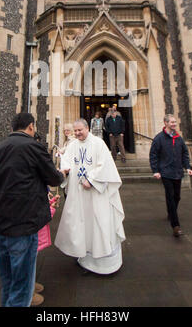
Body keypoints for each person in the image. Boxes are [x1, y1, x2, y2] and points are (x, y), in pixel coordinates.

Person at [0, 112, 65, 307]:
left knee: (9, 280)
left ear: (12, 128)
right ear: (31, 127)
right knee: (22, 288)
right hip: (24, 226)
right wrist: (60, 174)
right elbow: (53, 178)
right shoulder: (34, 147)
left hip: (0, 225)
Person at [54, 118, 126, 275]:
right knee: (82, 225)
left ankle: (104, 264)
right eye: (76, 131)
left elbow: (105, 165)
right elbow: (67, 162)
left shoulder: (98, 144)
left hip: (96, 196)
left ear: (87, 128)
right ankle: (85, 259)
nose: (78, 133)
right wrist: (64, 171)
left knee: (98, 224)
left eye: (80, 130)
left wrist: (92, 180)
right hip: (79, 196)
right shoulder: (73, 145)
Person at [149, 114, 192, 237]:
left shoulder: (179, 138)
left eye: (175, 122)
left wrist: (188, 167)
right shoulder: (159, 138)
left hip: (178, 172)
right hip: (166, 172)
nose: (174, 124)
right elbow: (153, 155)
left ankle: (171, 212)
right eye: (172, 122)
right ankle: (175, 226)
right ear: (166, 123)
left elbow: (184, 153)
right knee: (170, 196)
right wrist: (156, 170)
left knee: (177, 197)